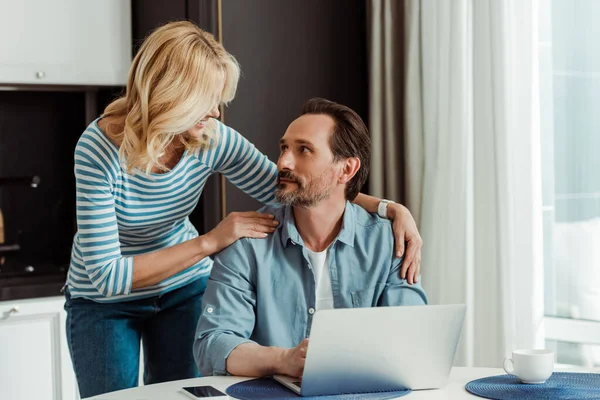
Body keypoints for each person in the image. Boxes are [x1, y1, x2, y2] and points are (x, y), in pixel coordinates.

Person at [64, 21, 423, 398]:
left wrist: (388, 208)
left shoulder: (206, 138)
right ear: (173, 97)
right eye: (207, 100)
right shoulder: (98, 151)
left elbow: (294, 183)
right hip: (103, 301)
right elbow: (107, 275)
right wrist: (210, 243)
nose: (217, 113)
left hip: (181, 288)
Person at [194, 98, 428, 378]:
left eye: (304, 150)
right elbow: (213, 344)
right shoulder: (247, 241)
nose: (283, 162)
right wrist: (282, 360)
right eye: (284, 148)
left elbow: (412, 340)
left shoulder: (390, 241)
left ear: (347, 169)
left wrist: (391, 208)